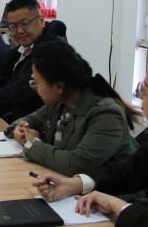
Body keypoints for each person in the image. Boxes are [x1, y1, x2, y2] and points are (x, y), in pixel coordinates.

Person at [33, 52, 148, 227]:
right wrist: (74, 184)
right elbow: (127, 172)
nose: (140, 96)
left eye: (145, 90)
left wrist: (119, 206)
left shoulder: (105, 111)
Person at [9, 41, 140, 176]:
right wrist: (19, 128)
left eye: (36, 83)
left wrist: (33, 144)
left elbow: (76, 164)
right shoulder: (60, 102)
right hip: (66, 182)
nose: (35, 88)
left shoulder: (107, 115)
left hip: (108, 188)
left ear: (59, 86)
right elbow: (31, 119)